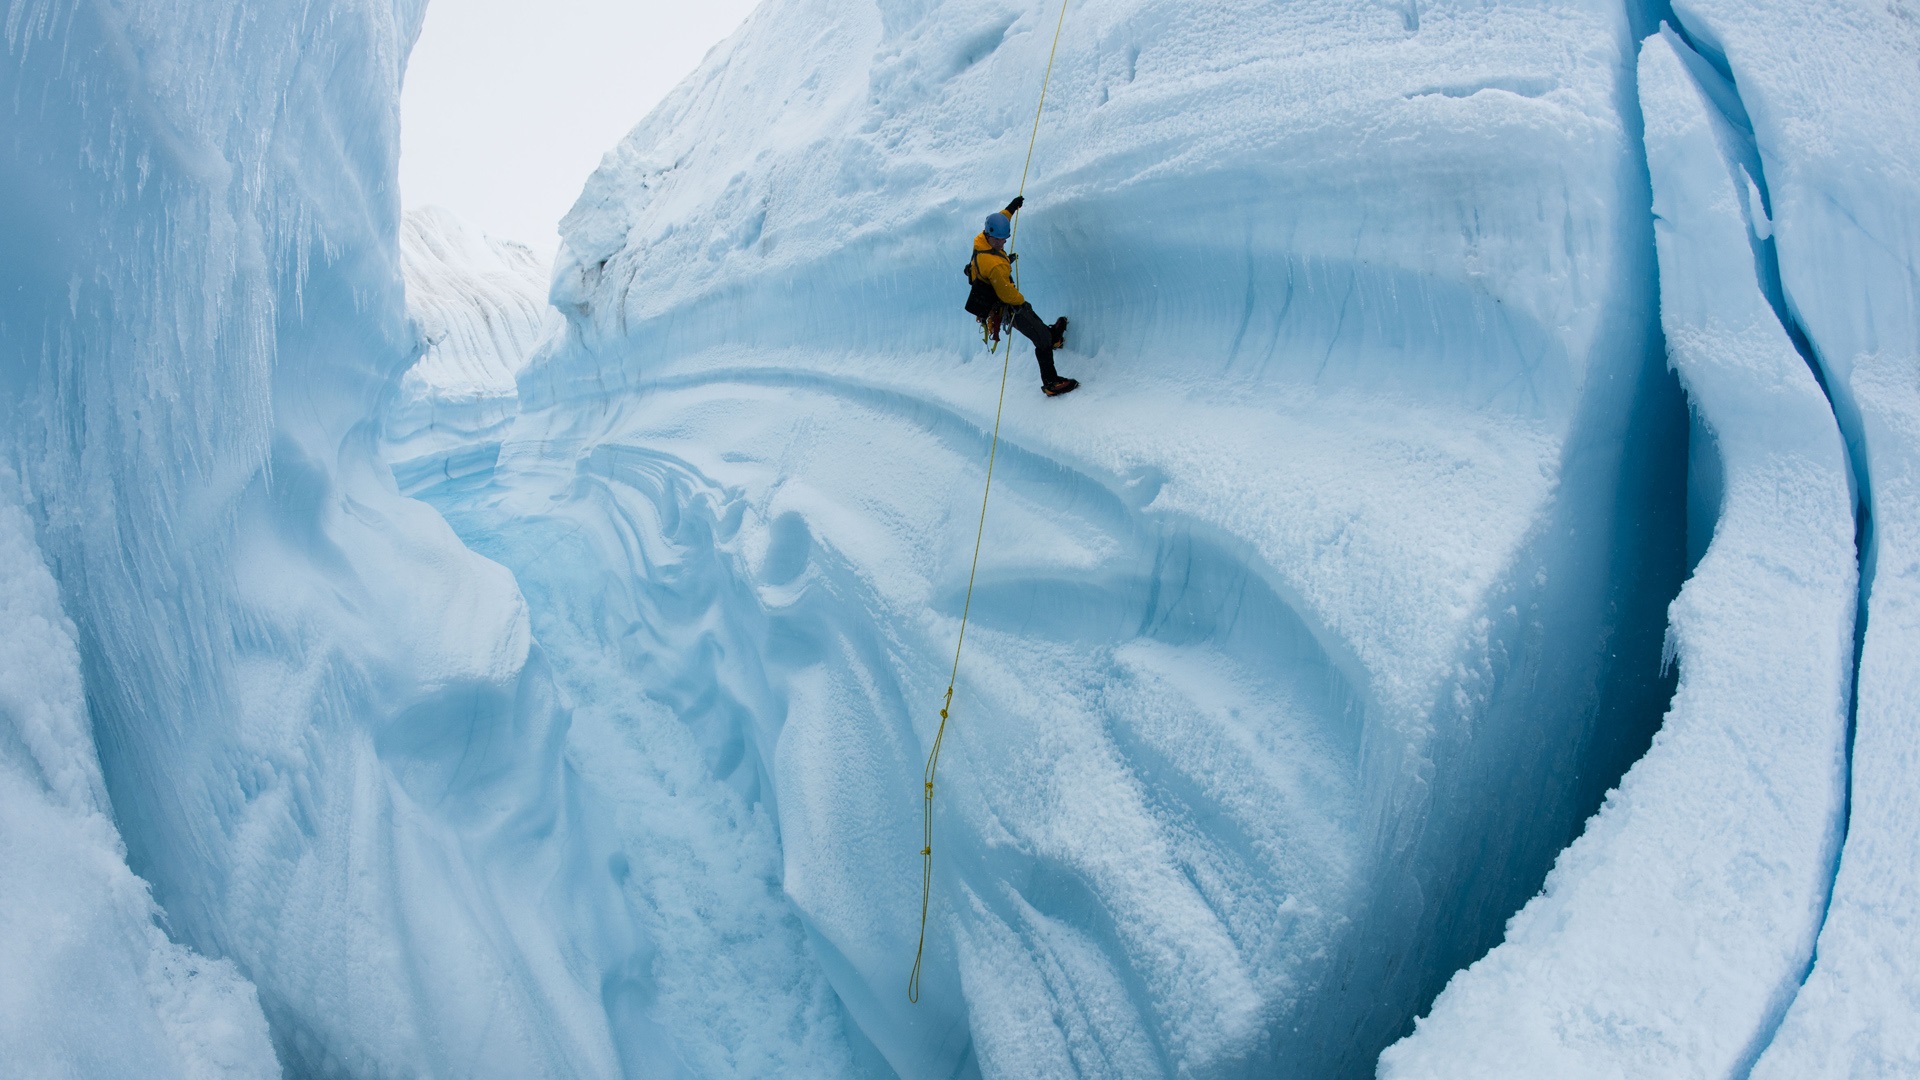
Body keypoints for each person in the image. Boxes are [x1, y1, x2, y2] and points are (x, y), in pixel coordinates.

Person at [966, 196, 1077, 396]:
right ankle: (1050, 382)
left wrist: (1012, 207)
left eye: (1004, 239)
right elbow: (1007, 294)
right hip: (1005, 306)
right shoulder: (994, 265)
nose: (1002, 242)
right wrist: (1020, 301)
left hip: (996, 294)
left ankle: (1051, 336)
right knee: (1039, 337)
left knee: (1034, 321)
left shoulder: (981, 240)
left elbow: (1001, 218)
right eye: (998, 239)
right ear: (989, 236)